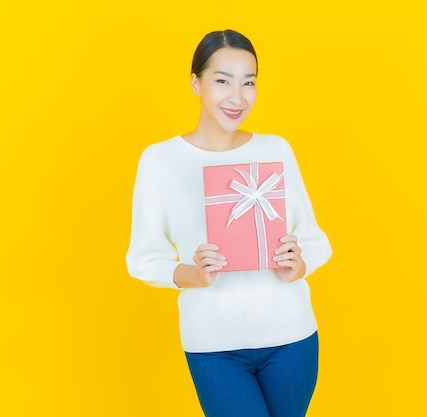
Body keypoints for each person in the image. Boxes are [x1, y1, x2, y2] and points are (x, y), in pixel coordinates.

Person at [126, 29, 332, 417]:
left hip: (292, 337)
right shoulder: (160, 160)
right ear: (195, 82)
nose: (237, 97)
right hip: (214, 344)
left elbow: (316, 240)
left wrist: (298, 263)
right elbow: (143, 259)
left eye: (248, 82)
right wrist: (193, 273)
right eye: (222, 81)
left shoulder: (276, 150)